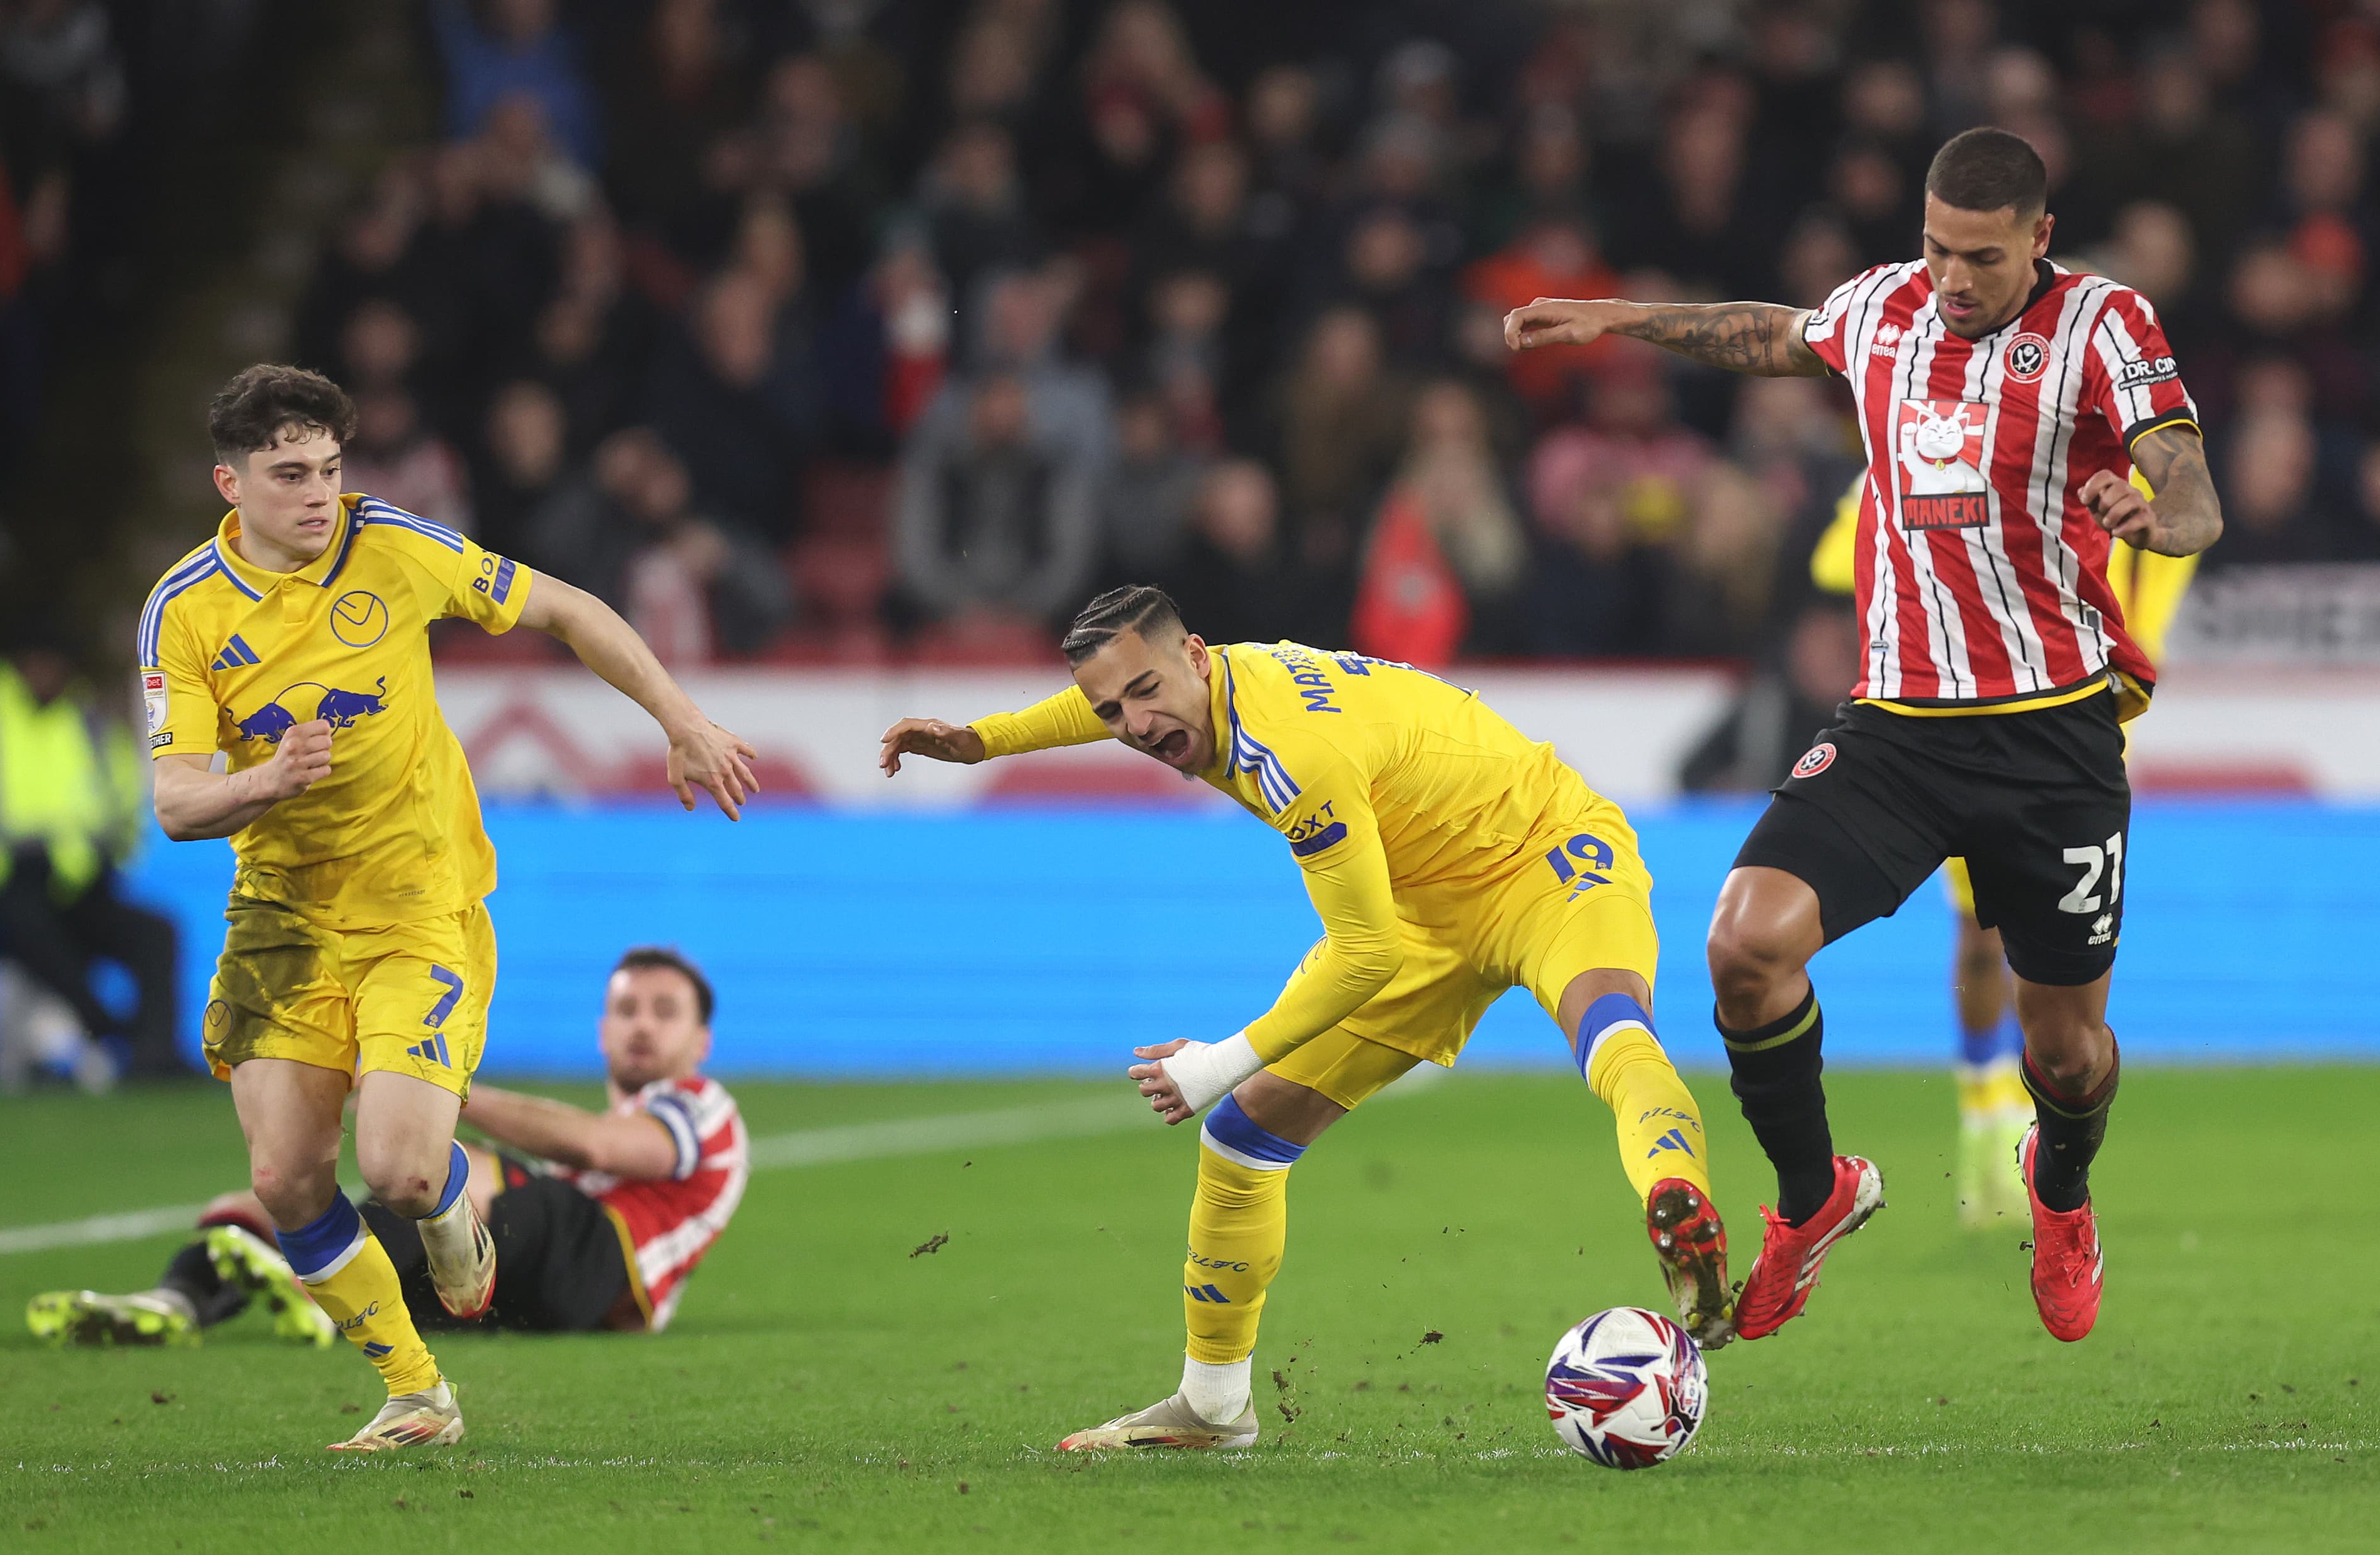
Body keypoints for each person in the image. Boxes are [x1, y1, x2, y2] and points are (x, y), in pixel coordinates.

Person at [1504, 127, 2222, 1344]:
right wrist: (1615, 317)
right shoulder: (1885, 310)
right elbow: (1772, 332)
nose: (1950, 278)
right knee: (1744, 944)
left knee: (2067, 1050)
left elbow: (2191, 479)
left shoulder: (2105, 326)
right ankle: (1813, 1194)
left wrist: (2156, 514)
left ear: (2040, 241)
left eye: (1981, 258)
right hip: (1898, 727)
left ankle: (2061, 1191)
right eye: (1937, 248)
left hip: (2055, 738)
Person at [878, 585, 1733, 1452]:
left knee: (1613, 1032)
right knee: (1244, 1138)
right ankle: (1212, 1406)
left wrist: (1213, 1063)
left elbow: (1363, 954)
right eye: (1115, 709)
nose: (1133, 724)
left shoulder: (1289, 750)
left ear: (1196, 656)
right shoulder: (1197, 691)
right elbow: (1096, 699)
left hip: (1543, 854)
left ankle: (1679, 1202)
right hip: (1420, 909)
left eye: (1145, 693)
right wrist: (982, 740)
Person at [135, 366, 757, 1450]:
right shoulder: (183, 609)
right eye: (290, 474)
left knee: (401, 1167)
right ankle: (418, 1391)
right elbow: (177, 798)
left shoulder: (394, 545)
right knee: (284, 1178)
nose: (320, 494)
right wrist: (264, 783)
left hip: (418, 892)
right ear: (229, 482)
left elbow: (564, 607)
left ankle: (450, 1203)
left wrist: (681, 715)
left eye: (330, 468)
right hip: (281, 909)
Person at [1806, 457, 2201, 1229]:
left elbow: (2165, 574)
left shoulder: (2140, 475)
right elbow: (1833, 561)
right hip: (1961, 716)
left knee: (2051, 960)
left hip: (2076, 722)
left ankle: (2028, 1126)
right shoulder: (1956, 444)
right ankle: (1986, 1110)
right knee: (1982, 931)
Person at [28, 946, 746, 1346]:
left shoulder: (703, 1107)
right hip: (523, 1298)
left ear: (701, 1041)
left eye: (664, 1011)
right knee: (272, 1204)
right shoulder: (611, 1136)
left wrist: (431, 1089)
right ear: (601, 1030)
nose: (642, 1025)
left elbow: (597, 1146)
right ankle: (180, 1298)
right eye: (626, 1009)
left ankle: (309, 1280)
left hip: (602, 1274)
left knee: (450, 1167)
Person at [0, 631, 195, 1082]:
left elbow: (123, 807)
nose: (48, 674)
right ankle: (107, 1032)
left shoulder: (89, 722)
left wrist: (100, 857)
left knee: (156, 933)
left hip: (79, 884)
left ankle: (154, 1055)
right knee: (29, 928)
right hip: (3, 885)